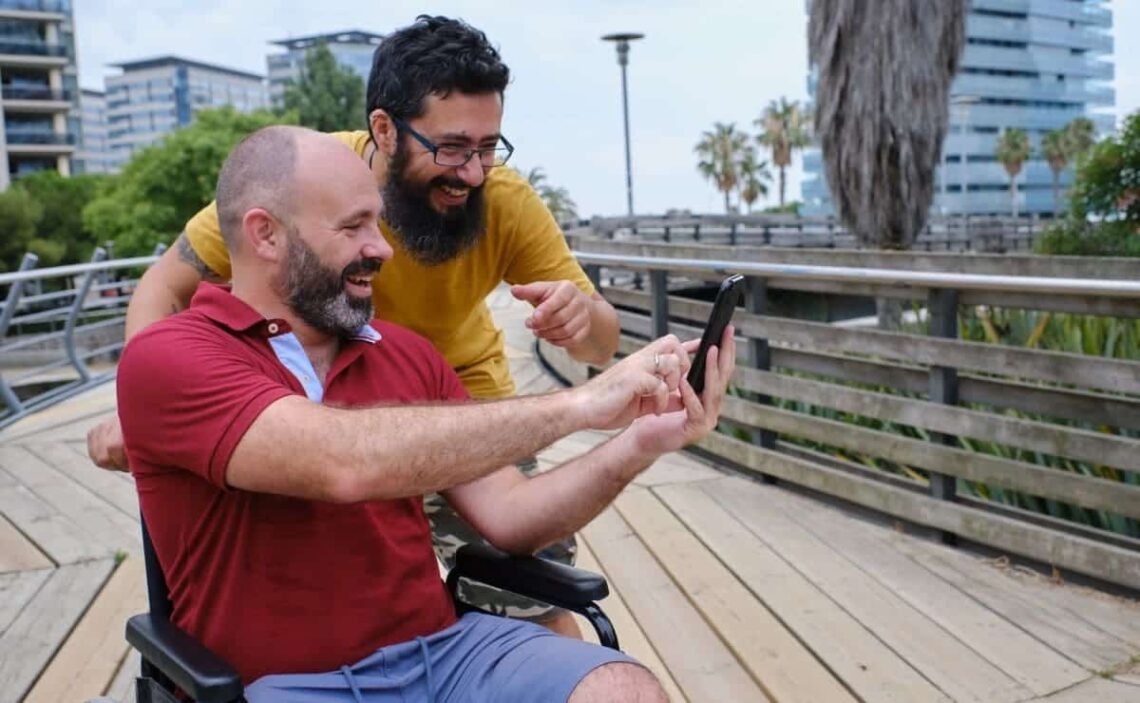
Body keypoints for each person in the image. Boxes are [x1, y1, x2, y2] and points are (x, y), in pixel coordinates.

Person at [118, 125, 734, 702]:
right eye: (354, 227)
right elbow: (342, 462)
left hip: (445, 655)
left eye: (378, 224)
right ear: (266, 234)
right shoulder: (171, 356)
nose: (381, 249)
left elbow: (513, 518)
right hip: (284, 684)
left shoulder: (410, 355)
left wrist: (638, 443)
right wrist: (581, 404)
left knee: (621, 688)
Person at [88, 15, 620, 636]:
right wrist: (143, 405)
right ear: (384, 129)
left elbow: (602, 344)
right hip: (319, 417)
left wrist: (583, 319)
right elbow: (164, 285)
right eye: (451, 148)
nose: (473, 172)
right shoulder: (306, 182)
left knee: (536, 595)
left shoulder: (505, 200)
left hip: (463, 408)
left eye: (487, 147)